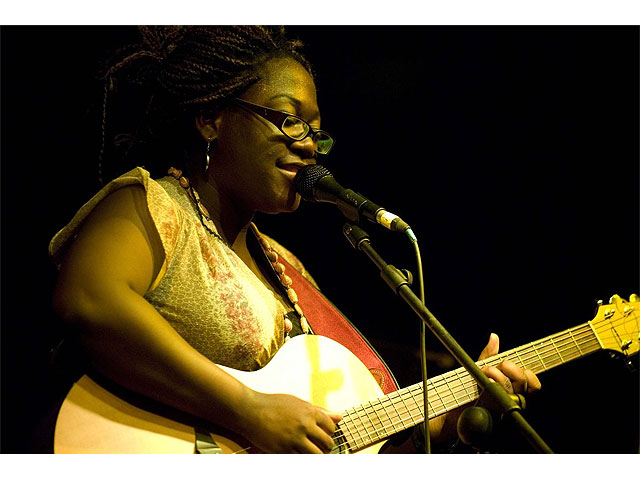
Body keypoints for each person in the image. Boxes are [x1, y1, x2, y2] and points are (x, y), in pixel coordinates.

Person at [49, 26, 541, 454]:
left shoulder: (287, 269)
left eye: (316, 132)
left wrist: (450, 420)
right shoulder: (152, 206)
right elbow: (90, 299)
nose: (308, 142)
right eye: (289, 118)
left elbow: (343, 453)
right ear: (212, 118)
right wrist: (248, 410)